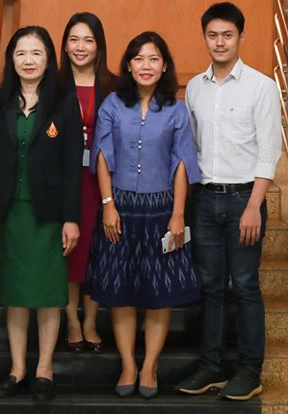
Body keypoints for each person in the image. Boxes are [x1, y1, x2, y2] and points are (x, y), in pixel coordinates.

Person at [175, 2, 281, 401]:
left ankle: (250, 370)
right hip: (205, 200)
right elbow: (192, 147)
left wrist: (254, 205)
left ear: (240, 37)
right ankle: (212, 366)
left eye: (227, 35)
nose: (220, 42)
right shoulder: (196, 87)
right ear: (204, 37)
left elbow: (269, 151)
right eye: (212, 35)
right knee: (211, 286)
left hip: (243, 200)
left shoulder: (261, 86)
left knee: (246, 286)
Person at [87, 31, 201, 399]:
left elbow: (182, 163)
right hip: (118, 206)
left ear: (164, 65)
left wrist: (178, 214)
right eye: (138, 59)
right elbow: (102, 155)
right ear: (129, 65)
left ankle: (150, 366)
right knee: (120, 293)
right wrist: (107, 206)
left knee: (158, 293)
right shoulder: (111, 105)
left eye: (153, 59)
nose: (146, 66)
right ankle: (128, 364)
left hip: (161, 209)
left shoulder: (176, 108)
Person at [0, 27, 83, 402]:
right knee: (16, 293)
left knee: (48, 293)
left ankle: (45, 368)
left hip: (49, 215)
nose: (28, 60)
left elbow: (73, 164)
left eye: (36, 53)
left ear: (49, 59)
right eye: (21, 53)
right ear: (12, 59)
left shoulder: (65, 102)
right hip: (8, 213)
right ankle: (18, 368)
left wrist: (72, 218)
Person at [58, 12, 117, 353]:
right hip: (66, 181)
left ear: (99, 45)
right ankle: (71, 321)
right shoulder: (53, 85)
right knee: (69, 253)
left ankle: (91, 321)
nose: (81, 47)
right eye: (74, 39)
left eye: (88, 40)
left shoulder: (114, 85)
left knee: (97, 252)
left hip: (102, 181)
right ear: (64, 45)